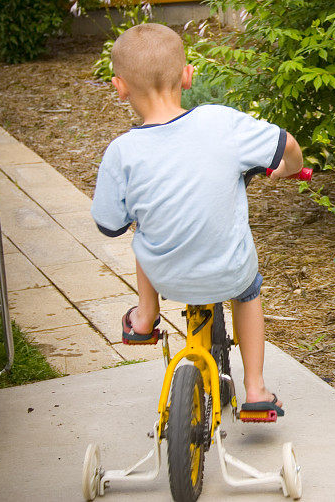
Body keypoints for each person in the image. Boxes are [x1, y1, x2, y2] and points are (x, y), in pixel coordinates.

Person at [91, 23, 303, 417]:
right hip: (230, 274)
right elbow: (287, 146)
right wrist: (289, 168)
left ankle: (145, 317)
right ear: (187, 75)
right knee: (249, 291)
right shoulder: (221, 123)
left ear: (120, 87)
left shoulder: (121, 152)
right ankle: (255, 388)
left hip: (168, 278)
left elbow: (110, 224)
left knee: (142, 231)